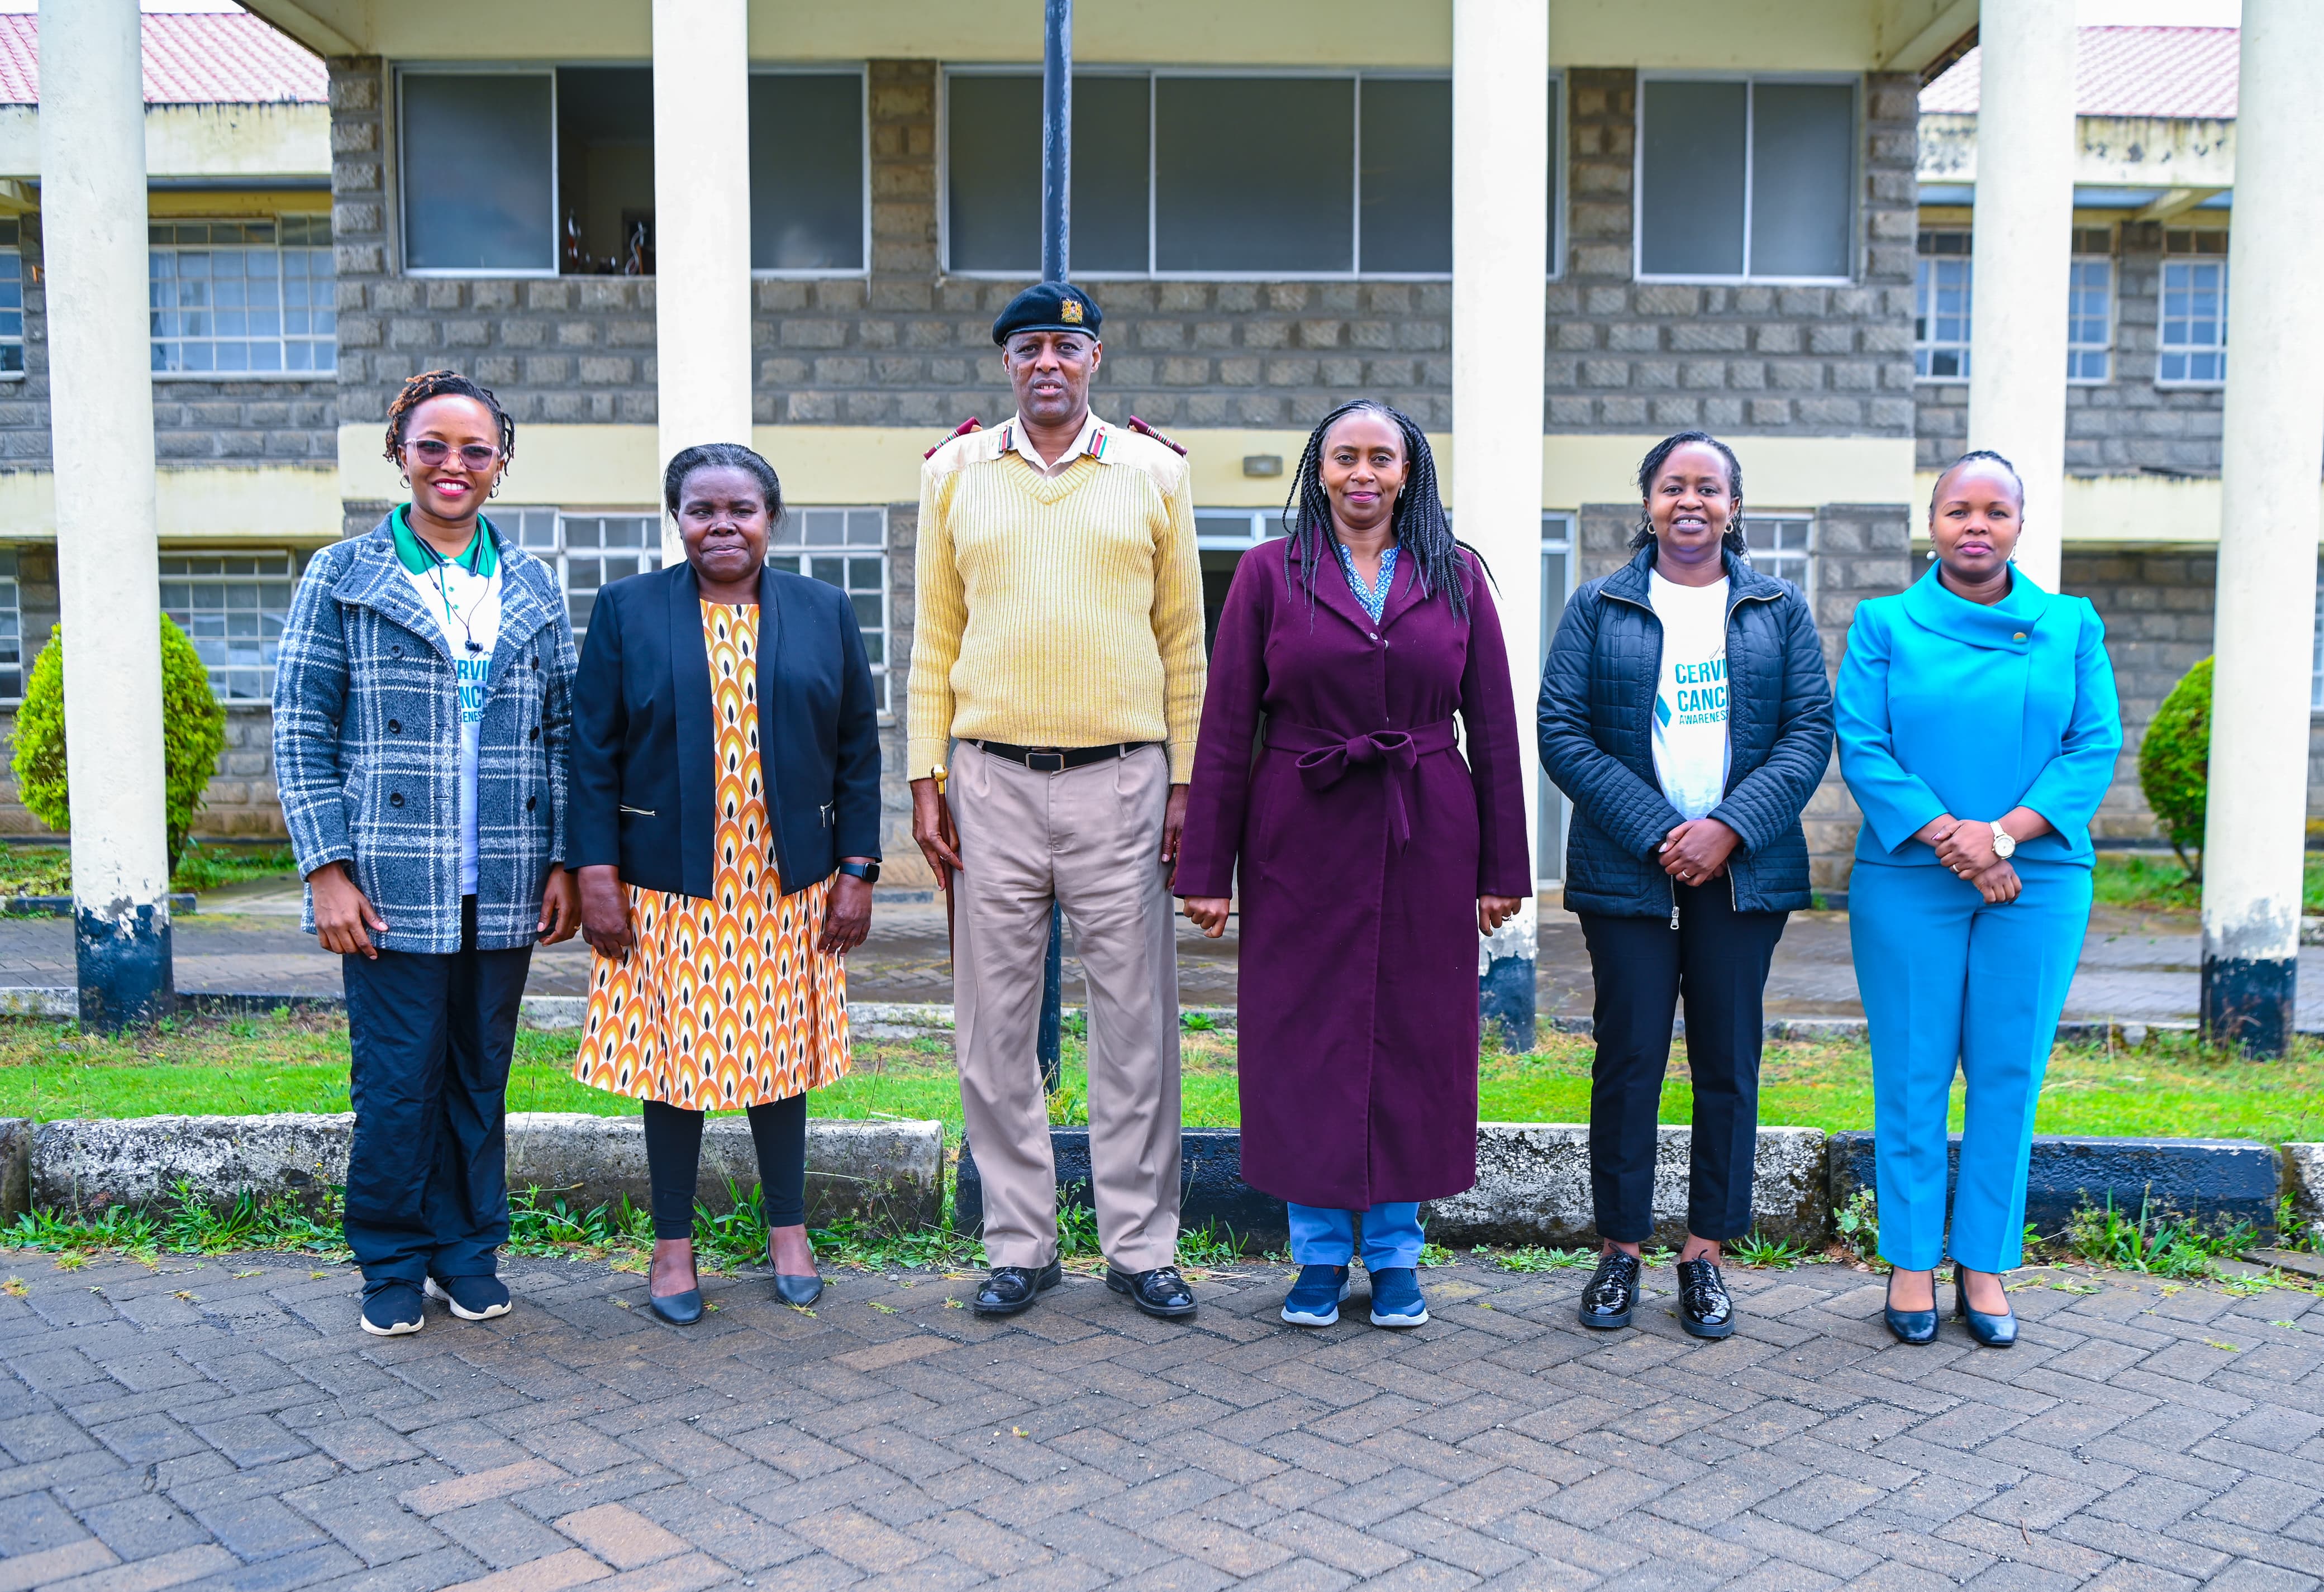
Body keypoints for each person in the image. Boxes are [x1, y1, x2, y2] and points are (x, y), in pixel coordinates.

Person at [1176, 401, 1529, 1330]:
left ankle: (1398, 1249)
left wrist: (1505, 867)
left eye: (1383, 456)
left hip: (1428, 833)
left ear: (1408, 472)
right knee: (1305, 1038)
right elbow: (1225, 727)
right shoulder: (1266, 574)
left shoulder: (1457, 577)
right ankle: (1321, 1252)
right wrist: (1208, 868)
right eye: (1346, 457)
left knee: (1417, 1036)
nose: (1363, 472)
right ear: (1319, 469)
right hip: (1302, 828)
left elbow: (1492, 727)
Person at [908, 282, 1207, 1322]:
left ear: (1094, 360)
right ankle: (1019, 1243)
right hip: (988, 776)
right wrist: (924, 778)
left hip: (1122, 780)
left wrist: (1185, 784)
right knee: (993, 1024)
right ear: (1006, 364)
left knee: (1135, 1025)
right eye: (1030, 346)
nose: (1048, 363)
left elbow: (1185, 648)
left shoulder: (1155, 473)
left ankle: (1140, 1245)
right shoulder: (953, 471)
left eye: (1067, 347)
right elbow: (933, 642)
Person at [274, 368, 580, 1337]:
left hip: (503, 879)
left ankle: (467, 1250)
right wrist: (327, 868)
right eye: (433, 446)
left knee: (480, 1074)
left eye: (475, 450)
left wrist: (566, 859)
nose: (454, 465)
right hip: (388, 879)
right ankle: (393, 1259)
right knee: (398, 1079)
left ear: (502, 464)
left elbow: (566, 732)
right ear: (399, 453)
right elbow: (298, 727)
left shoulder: (532, 581)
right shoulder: (343, 574)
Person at [568, 442, 880, 1325]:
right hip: (667, 887)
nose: (722, 526)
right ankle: (673, 1248)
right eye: (702, 510)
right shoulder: (628, 610)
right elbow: (591, 751)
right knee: (675, 1066)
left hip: (788, 888)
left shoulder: (823, 611)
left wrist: (857, 870)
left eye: (740, 508)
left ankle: (789, 1232)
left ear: (771, 518)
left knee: (780, 1061)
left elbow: (858, 751)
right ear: (678, 520)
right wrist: (596, 871)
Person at [1537, 431, 1833, 1341]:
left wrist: (1729, 828)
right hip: (1628, 871)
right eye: (1674, 487)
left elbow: (1807, 730)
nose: (1691, 502)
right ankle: (1619, 1250)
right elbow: (1563, 729)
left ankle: (1705, 1254)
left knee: (1727, 1065)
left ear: (1735, 508)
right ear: (1649, 502)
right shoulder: (1600, 604)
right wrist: (1664, 832)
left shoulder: (1777, 609)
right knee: (1627, 1062)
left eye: (1710, 488)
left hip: (1744, 875)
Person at [1837, 449, 2120, 1348]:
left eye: (1996, 511)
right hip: (1911, 874)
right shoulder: (1884, 624)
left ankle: (1986, 1262)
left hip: (2035, 879)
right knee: (1913, 1072)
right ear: (1934, 521)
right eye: (1960, 509)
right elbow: (1865, 743)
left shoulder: (2072, 625)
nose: (1977, 525)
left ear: (2020, 525)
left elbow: (2093, 743)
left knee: (2007, 1073)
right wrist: (1955, 838)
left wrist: (2002, 836)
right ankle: (1912, 1259)